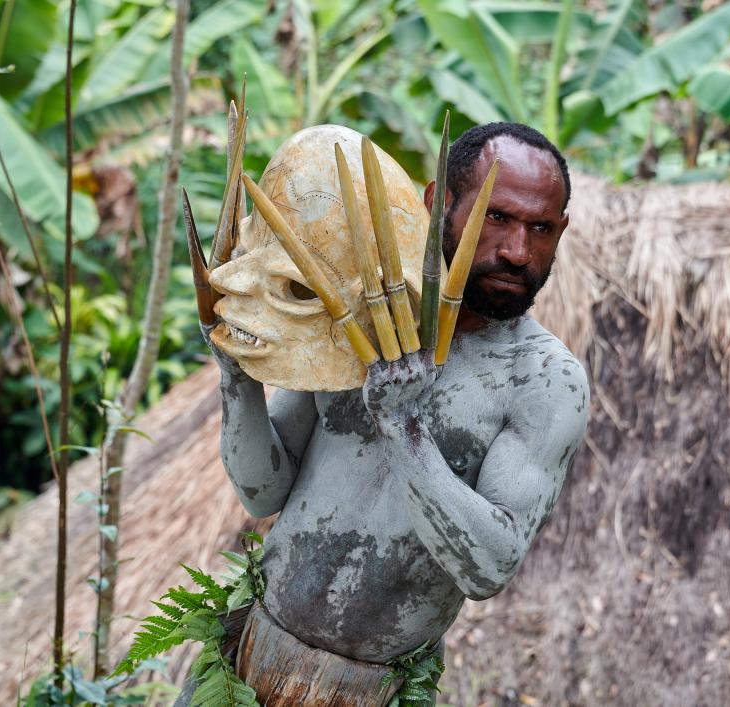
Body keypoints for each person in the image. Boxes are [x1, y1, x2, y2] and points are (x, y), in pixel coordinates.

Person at [202, 121, 589, 701]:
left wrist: (404, 426)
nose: (517, 251)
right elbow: (263, 493)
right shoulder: (356, 315)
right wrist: (236, 375)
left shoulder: (544, 380)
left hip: (378, 692)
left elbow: (489, 567)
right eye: (496, 217)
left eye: (540, 229)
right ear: (438, 203)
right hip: (248, 655)